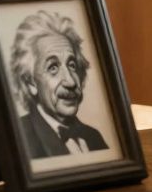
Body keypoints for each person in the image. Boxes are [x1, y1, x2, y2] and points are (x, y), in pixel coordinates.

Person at [11, 10, 109, 158]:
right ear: (31, 82)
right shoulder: (20, 138)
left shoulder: (94, 137)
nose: (70, 81)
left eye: (72, 65)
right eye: (53, 68)